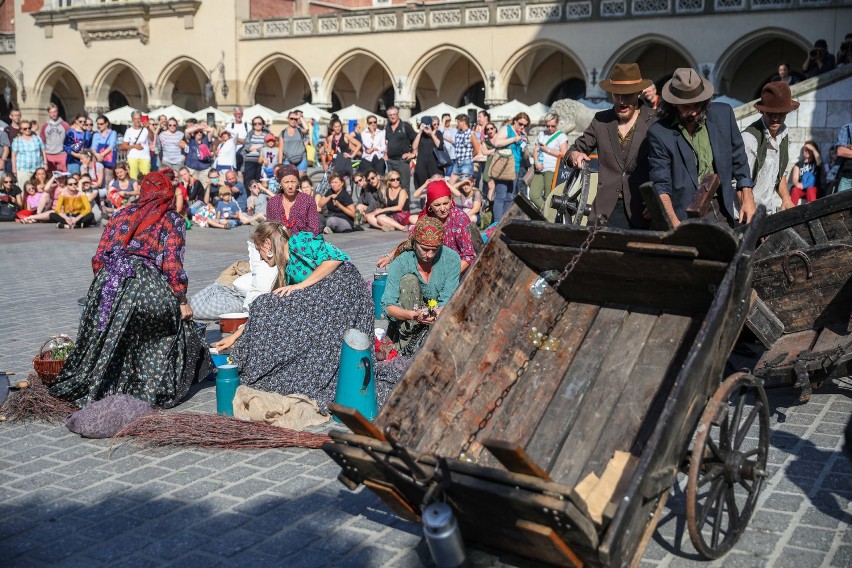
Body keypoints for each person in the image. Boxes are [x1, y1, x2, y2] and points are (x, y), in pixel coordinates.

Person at [48, 171, 209, 409]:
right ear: (166, 191)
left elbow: (100, 255)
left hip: (110, 277)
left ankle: (108, 381)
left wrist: (105, 288)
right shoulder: (172, 219)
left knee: (114, 327)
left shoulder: (122, 213)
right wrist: (181, 298)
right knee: (169, 324)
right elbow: (172, 263)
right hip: (145, 283)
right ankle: (145, 383)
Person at [211, 221, 375, 414]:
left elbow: (336, 258)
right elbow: (269, 311)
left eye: (259, 251)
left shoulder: (298, 242)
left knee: (270, 303)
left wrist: (301, 286)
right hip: (325, 298)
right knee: (268, 304)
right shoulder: (287, 271)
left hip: (344, 289)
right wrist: (236, 335)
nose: (262, 259)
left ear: (267, 245)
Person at [648, 68, 755, 228]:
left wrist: (748, 197)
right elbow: (661, 183)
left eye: (696, 106)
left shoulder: (724, 115)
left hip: (721, 209)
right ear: (674, 104)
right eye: (685, 107)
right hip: (683, 215)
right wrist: (672, 222)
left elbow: (739, 159)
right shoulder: (659, 133)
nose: (692, 113)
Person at [569, 64, 658, 229]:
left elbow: (669, 165)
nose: (622, 101)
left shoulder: (655, 121)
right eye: (617, 95)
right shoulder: (600, 120)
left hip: (643, 212)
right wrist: (574, 155)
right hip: (604, 211)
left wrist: (658, 200)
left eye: (627, 95)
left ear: (639, 93)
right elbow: (575, 148)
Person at [381, 217, 461, 354]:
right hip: (409, 316)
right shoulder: (401, 262)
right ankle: (406, 344)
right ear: (414, 243)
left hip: (438, 314)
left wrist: (436, 313)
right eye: (424, 249)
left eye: (435, 250)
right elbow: (388, 306)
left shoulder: (451, 259)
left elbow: (449, 298)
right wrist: (413, 315)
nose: (429, 255)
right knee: (409, 280)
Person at [381, 179, 477, 273]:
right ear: (430, 205)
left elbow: (469, 256)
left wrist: (448, 277)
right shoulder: (427, 218)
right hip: (434, 267)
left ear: (451, 201)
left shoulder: (459, 219)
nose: (443, 208)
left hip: (457, 270)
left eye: (446, 203)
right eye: (437, 205)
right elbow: (411, 242)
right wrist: (390, 256)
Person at [741, 81, 798, 214]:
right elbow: (738, 182)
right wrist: (751, 216)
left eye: (780, 114)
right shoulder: (749, 139)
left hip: (767, 212)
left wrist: (786, 199)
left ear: (787, 112)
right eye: (771, 113)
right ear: (762, 111)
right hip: (744, 214)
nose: (775, 119)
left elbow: (779, 173)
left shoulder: (784, 135)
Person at [490, 112, 531, 222]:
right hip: (504, 166)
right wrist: (513, 139)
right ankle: (496, 223)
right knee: (501, 196)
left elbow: (526, 156)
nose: (522, 127)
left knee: (510, 197)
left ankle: (504, 222)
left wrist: (525, 144)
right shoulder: (507, 129)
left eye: (525, 125)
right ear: (515, 121)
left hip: (516, 167)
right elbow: (497, 143)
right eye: (520, 124)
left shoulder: (522, 134)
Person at [265, 164, 321, 235]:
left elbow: (314, 229)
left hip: (303, 243)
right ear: (280, 184)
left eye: (293, 182)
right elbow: (269, 228)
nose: (290, 186)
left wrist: (295, 240)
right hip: (279, 243)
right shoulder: (273, 202)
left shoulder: (308, 200)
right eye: (286, 182)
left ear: (298, 183)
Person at [530, 112, 569, 210]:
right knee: (533, 195)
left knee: (548, 196)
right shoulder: (541, 134)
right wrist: (536, 162)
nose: (550, 128)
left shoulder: (561, 136)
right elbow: (535, 149)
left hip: (552, 168)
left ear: (557, 124)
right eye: (547, 126)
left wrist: (547, 150)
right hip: (539, 168)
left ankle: (547, 218)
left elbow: (564, 154)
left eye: (553, 126)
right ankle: (545, 213)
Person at [384, 105, 417, 191]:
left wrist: (413, 154)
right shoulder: (387, 127)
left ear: (398, 114)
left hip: (402, 161)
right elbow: (386, 142)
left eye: (394, 114)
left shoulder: (405, 126)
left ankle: (405, 204)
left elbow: (416, 140)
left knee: (404, 187)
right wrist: (385, 153)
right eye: (390, 115)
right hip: (390, 162)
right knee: (392, 186)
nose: (392, 116)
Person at [413, 116, 445, 191]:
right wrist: (420, 132)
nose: (427, 127)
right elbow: (414, 147)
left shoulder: (438, 133)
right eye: (424, 125)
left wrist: (431, 133)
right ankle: (424, 202)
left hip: (435, 165)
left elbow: (439, 145)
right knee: (423, 188)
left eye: (429, 125)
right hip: (422, 164)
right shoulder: (420, 135)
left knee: (437, 187)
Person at [447, 114, 480, 186]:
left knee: (465, 186)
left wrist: (469, 157)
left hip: (466, 162)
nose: (457, 124)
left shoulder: (471, 133)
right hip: (457, 161)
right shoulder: (458, 133)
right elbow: (456, 144)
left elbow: (476, 149)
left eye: (458, 122)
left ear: (463, 122)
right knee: (450, 184)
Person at [119, 111, 153, 180]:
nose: (137, 121)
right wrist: (134, 146)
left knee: (146, 178)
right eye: (135, 119)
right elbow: (124, 146)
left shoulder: (146, 129)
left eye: (139, 118)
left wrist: (148, 128)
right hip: (132, 156)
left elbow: (152, 138)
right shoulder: (129, 130)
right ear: (132, 120)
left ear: (141, 119)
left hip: (145, 157)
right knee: (133, 178)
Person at [11, 120, 47, 185]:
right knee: (23, 189)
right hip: (23, 169)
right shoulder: (17, 140)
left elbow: (43, 151)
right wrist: (14, 168)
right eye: (25, 129)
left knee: (38, 189)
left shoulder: (37, 138)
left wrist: (45, 163)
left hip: (37, 169)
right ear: (21, 130)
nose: (27, 130)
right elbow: (13, 155)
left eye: (29, 128)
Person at [39, 103, 69, 174]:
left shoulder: (65, 125)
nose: (53, 114)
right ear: (49, 114)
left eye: (55, 112)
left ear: (57, 112)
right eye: (51, 112)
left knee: (63, 175)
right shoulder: (45, 126)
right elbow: (42, 141)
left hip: (62, 153)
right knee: (50, 175)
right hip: (49, 154)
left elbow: (69, 139)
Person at [278, 111, 308, 176]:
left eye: (295, 119)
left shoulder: (299, 130)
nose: (293, 120)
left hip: (302, 159)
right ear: (288, 119)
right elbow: (281, 149)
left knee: (301, 180)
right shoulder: (283, 133)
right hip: (287, 160)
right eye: (291, 118)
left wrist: (300, 117)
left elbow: (307, 128)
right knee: (289, 179)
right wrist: (280, 164)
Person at [91, 115, 118, 187]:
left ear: (107, 123)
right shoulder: (96, 135)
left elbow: (112, 145)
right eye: (98, 124)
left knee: (108, 179)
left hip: (107, 159)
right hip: (97, 159)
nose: (99, 126)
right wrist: (97, 155)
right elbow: (93, 147)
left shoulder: (113, 133)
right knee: (96, 178)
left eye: (101, 124)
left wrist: (101, 155)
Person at [242, 117, 268, 185]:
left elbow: (266, 148)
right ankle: (249, 196)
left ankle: (258, 195)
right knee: (248, 182)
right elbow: (246, 147)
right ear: (253, 125)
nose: (257, 125)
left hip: (261, 162)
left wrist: (254, 148)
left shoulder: (266, 135)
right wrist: (259, 146)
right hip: (249, 161)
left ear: (263, 125)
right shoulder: (249, 135)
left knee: (259, 182)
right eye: (255, 123)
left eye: (259, 123)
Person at [225, 106, 249, 174]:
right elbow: (225, 139)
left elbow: (248, 142)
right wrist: (242, 141)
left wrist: (235, 139)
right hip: (231, 154)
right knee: (233, 173)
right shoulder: (229, 126)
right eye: (237, 114)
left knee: (244, 173)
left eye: (240, 113)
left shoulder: (247, 126)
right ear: (234, 114)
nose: (238, 115)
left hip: (244, 154)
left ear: (242, 114)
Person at [832, 121, 852, 193]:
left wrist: (849, 148)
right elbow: (840, 151)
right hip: (846, 177)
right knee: (842, 203)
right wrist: (845, 149)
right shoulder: (846, 128)